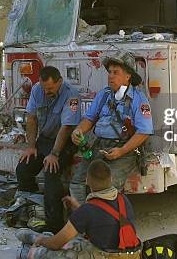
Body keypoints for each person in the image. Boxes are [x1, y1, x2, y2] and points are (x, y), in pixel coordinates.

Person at [69, 50, 153, 203]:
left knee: (107, 189)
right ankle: (80, 219)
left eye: (116, 72)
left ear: (128, 76)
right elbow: (89, 118)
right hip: (98, 146)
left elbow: (144, 132)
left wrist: (121, 151)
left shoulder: (139, 99)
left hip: (124, 151)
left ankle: (104, 221)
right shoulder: (103, 95)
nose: (111, 75)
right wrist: (78, 130)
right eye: (110, 72)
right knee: (77, 183)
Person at [16, 159, 142, 259]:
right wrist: (78, 207)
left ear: (87, 181)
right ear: (111, 179)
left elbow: (55, 244)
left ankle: (28, 247)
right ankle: (34, 238)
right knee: (73, 244)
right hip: (133, 254)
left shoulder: (87, 210)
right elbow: (101, 217)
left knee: (49, 250)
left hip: (105, 255)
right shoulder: (123, 199)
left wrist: (41, 241)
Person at [16, 66, 81, 233]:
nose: (46, 92)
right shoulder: (38, 90)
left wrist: (54, 154)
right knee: (23, 168)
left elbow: (66, 128)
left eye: (50, 88)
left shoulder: (71, 94)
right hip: (45, 139)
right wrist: (31, 146)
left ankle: (55, 225)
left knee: (51, 175)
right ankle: (32, 210)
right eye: (44, 88)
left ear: (59, 82)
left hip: (65, 142)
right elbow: (31, 118)